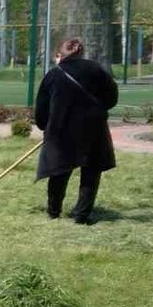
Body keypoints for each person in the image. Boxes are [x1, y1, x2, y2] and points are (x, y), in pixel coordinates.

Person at [34, 37, 119, 224]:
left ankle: (53, 211)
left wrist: (45, 126)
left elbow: (41, 109)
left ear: (60, 54)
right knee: (91, 171)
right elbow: (112, 97)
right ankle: (82, 214)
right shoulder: (96, 70)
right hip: (93, 129)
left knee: (59, 170)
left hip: (61, 131)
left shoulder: (53, 75)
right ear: (81, 52)